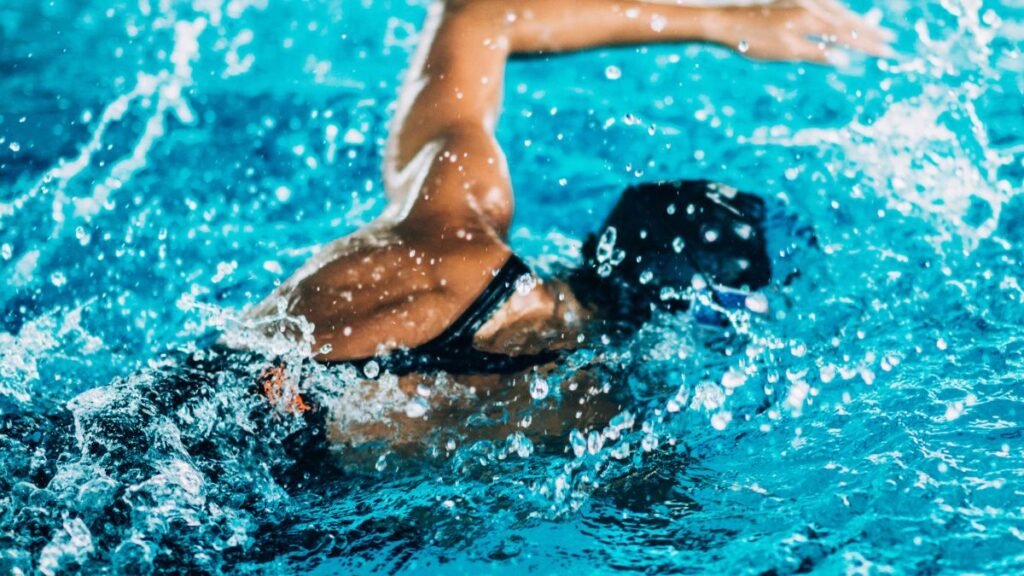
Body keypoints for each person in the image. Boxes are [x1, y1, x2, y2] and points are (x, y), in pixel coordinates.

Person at [231, 0, 893, 451]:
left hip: (167, 410)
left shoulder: (456, 217)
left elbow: (479, 14)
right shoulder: (584, 414)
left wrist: (725, 19)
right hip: (236, 513)